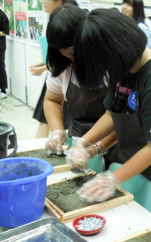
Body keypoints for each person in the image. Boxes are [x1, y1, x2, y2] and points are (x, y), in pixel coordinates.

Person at [71, 9, 151, 214]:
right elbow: (112, 114)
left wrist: (111, 179)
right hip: (136, 171)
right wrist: (84, 143)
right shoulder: (123, 69)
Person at [43, 5, 117, 165]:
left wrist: (96, 147)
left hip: (114, 141)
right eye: (61, 51)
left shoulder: (110, 63)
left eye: (71, 51)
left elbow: (116, 116)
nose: (67, 56)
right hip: (78, 142)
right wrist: (57, 132)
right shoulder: (62, 65)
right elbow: (52, 100)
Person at [30, 0, 77, 138]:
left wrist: (44, 67)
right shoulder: (54, 19)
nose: (43, 1)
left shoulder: (70, 19)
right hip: (56, 73)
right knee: (47, 116)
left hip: (61, 73)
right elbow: (58, 55)